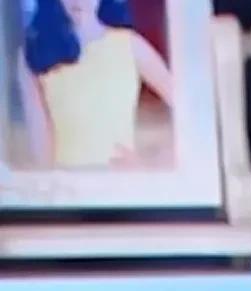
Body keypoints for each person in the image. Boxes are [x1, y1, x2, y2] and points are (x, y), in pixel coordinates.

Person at [15, 0, 173, 168]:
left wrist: (150, 164)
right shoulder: (34, 53)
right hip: (67, 179)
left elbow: (188, 110)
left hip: (120, 179)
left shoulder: (129, 44)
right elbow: (41, 147)